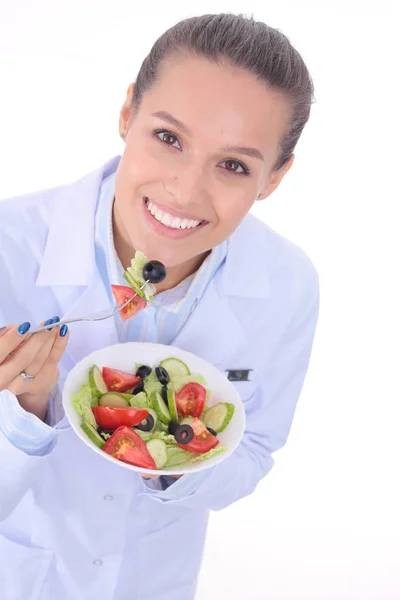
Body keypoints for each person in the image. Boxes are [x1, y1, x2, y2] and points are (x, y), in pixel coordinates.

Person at [0, 13, 320, 600]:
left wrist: (178, 455)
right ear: (127, 115)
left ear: (274, 177)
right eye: (169, 138)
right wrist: (21, 413)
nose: (185, 191)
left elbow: (252, 450)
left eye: (234, 165)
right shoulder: (7, 247)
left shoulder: (288, 284)